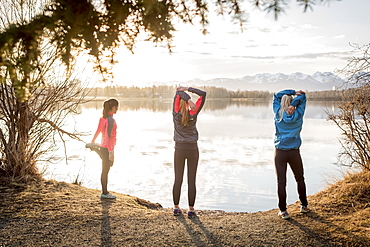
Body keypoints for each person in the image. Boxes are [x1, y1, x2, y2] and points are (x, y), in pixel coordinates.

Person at [272, 89, 309, 219]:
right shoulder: (299, 113)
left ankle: (283, 211)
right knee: (300, 178)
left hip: (280, 152)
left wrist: (292, 91)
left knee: (281, 182)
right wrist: (295, 103)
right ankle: (304, 206)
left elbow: (276, 95)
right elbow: (303, 97)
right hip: (294, 152)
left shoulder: (278, 112)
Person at [172, 86, 206, 218]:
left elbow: (177, 93)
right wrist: (189, 90)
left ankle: (176, 208)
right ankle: (191, 209)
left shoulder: (176, 114)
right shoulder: (194, 112)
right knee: (192, 180)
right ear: (187, 104)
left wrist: (185, 95)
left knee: (178, 179)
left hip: (179, 150)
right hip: (193, 149)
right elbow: (203, 94)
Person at [87, 98, 119, 199]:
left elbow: (98, 131)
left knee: (108, 166)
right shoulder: (111, 120)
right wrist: (111, 151)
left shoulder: (103, 119)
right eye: (116, 106)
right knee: (106, 170)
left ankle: (95, 147)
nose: (117, 108)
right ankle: (105, 193)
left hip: (103, 146)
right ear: (113, 107)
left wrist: (93, 141)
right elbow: (109, 136)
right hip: (107, 147)